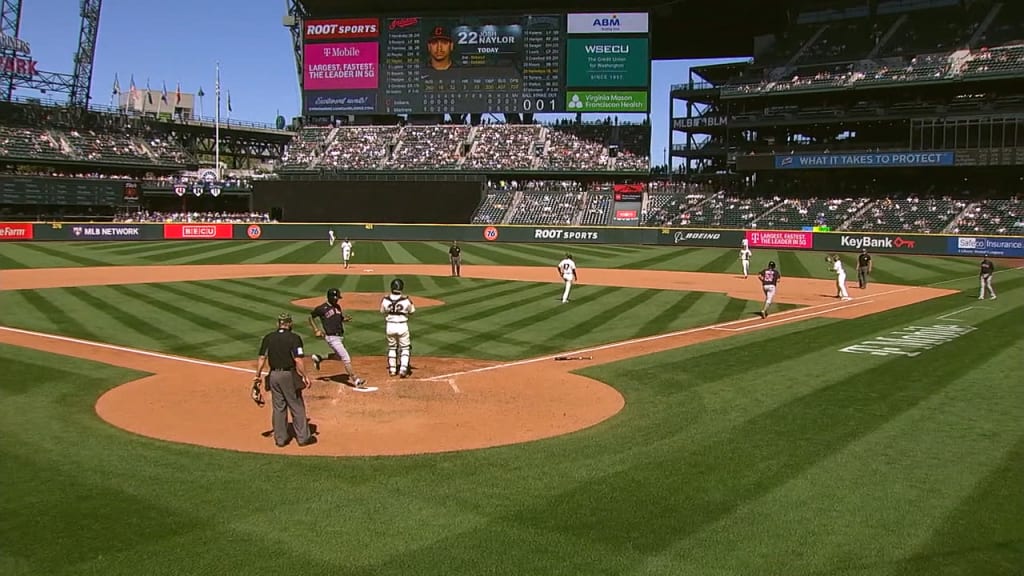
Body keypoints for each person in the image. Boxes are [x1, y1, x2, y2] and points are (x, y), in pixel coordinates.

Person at [253, 313, 316, 447]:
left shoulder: (268, 337)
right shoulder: (294, 338)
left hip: (273, 376)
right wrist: (304, 376)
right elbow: (298, 359)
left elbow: (262, 358)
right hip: (288, 375)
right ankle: (303, 438)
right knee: (296, 405)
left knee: (278, 407)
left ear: (278, 324)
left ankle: (280, 439)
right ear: (290, 324)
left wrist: (257, 376)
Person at [309, 288, 367, 388]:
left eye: (337, 298)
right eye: (335, 298)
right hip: (332, 337)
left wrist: (344, 319)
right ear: (329, 297)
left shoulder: (338, 307)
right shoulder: (322, 308)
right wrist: (316, 329)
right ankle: (356, 380)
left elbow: (338, 318)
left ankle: (319, 358)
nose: (336, 300)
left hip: (339, 337)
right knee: (346, 358)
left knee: (338, 357)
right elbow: (311, 317)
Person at [381, 278, 416, 377]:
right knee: (405, 348)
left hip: (390, 326)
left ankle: (392, 369)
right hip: (402, 325)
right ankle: (403, 368)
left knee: (392, 347)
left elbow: (382, 311)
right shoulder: (406, 300)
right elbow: (412, 311)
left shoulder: (385, 299)